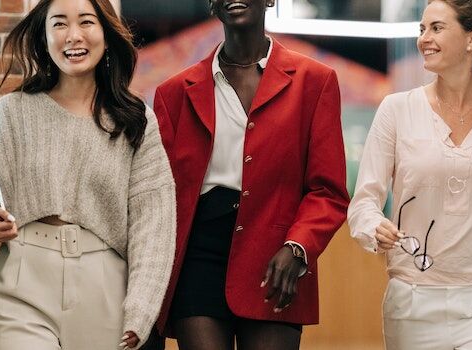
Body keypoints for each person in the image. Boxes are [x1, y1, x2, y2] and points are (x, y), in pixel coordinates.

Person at [0, 0, 176, 348]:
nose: (73, 35)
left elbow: (153, 225)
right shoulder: (12, 111)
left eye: (86, 22)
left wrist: (141, 307)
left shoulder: (135, 121)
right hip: (23, 281)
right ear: (44, 37)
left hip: (106, 290)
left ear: (106, 35)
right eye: (59, 24)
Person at [145, 0, 349, 349]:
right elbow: (158, 196)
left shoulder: (315, 82)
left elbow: (327, 191)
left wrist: (298, 248)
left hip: (276, 257)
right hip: (198, 257)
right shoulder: (173, 93)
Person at [347, 0, 472, 349]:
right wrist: (371, 227)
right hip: (412, 303)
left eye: (436, 28)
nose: (424, 38)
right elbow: (364, 201)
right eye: (421, 29)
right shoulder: (396, 110)